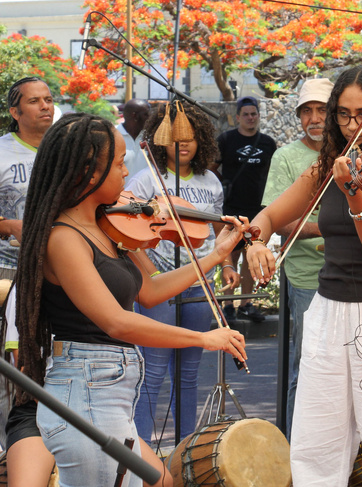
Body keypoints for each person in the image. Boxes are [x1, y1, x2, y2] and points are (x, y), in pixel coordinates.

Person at [14, 112, 247, 486]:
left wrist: (217, 254)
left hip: (109, 391)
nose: (127, 173)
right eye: (120, 163)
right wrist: (204, 339)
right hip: (86, 389)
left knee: (162, 482)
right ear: (90, 173)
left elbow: (151, 290)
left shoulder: (109, 225)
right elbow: (116, 321)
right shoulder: (64, 239)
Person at [246, 65, 362, 486]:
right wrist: (257, 240)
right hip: (329, 310)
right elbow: (272, 214)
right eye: (342, 115)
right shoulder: (330, 164)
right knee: (316, 440)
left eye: (361, 113)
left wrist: (355, 194)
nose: (351, 125)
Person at [126, 101, 240, 444]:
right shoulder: (147, 179)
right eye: (176, 138)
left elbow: (219, 231)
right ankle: (142, 454)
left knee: (188, 374)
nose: (184, 144)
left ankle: (184, 450)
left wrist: (227, 264)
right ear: (161, 140)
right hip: (160, 284)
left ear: (201, 139)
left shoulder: (212, 182)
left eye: (191, 137)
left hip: (197, 283)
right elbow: (126, 233)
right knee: (153, 372)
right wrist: (150, 273)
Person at [0, 76, 54, 449]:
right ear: (14, 111)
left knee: (59, 367)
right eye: (35, 101)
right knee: (13, 372)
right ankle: (13, 459)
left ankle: (56, 458)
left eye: (49, 99)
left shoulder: (65, 149)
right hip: (9, 275)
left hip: (62, 271)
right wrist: (4, 225)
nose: (45, 106)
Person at [261, 77, 333, 439]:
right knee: (306, 368)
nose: (315, 118)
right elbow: (278, 221)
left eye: (322, 110)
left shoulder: (352, 152)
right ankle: (295, 450)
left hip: (351, 275)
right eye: (307, 111)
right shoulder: (286, 157)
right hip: (307, 277)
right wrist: (329, 228)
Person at [212, 96, 277, 322]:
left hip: (257, 210)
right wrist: (224, 186)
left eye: (254, 114)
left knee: (252, 258)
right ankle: (227, 305)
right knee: (230, 257)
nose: (251, 118)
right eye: (246, 114)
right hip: (231, 208)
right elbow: (212, 169)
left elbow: (273, 174)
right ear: (238, 117)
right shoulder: (226, 139)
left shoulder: (268, 143)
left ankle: (247, 304)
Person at [116, 99, 152, 177]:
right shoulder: (113, 135)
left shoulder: (151, 137)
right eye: (146, 114)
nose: (150, 118)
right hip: (121, 189)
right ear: (134, 116)